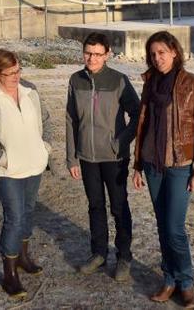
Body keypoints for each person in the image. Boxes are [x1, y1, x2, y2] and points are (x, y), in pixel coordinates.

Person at [132, 31, 194, 309]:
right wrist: (138, 165)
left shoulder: (193, 84)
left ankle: (186, 283)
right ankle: (168, 280)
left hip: (179, 166)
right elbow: (143, 125)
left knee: (175, 228)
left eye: (162, 53)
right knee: (162, 226)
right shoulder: (150, 83)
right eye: (153, 54)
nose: (157, 59)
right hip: (153, 166)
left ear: (174, 52)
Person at [0, 49, 51, 298]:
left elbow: (46, 120)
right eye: (10, 73)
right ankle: (10, 275)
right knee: (14, 217)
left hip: (34, 164)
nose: (16, 76)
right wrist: (3, 159)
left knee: (28, 211)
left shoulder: (30, 90)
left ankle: (23, 257)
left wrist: (45, 148)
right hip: (8, 170)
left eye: (18, 70)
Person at [66, 32, 140, 281]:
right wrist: (72, 157)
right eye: (88, 53)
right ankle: (98, 253)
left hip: (114, 157)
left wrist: (121, 142)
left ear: (107, 54)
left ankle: (124, 256)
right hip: (87, 157)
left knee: (119, 206)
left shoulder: (119, 80)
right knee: (95, 206)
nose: (92, 58)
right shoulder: (75, 80)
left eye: (98, 54)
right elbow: (70, 120)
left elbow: (138, 115)